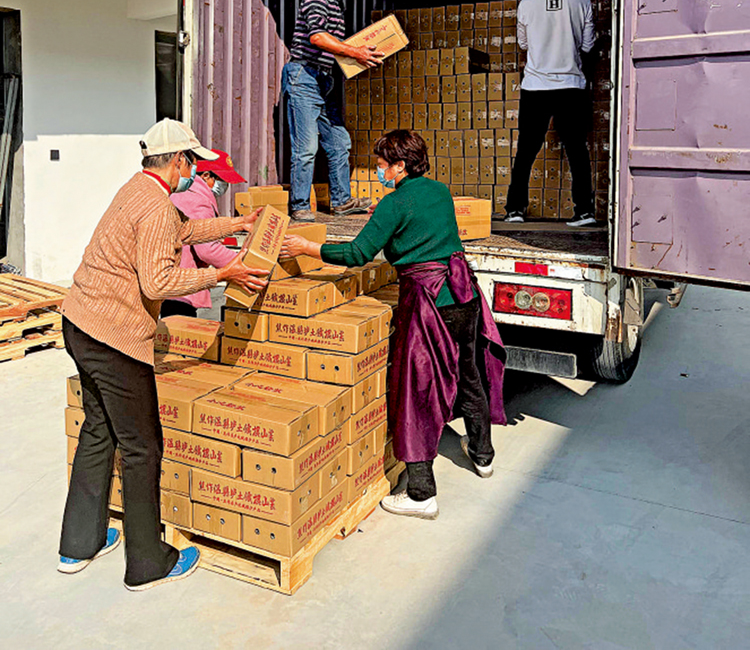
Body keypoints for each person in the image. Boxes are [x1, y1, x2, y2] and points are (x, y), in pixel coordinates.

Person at [58, 119, 269, 591]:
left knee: (98, 429)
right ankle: (148, 562)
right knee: (142, 447)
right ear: (177, 161)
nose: (193, 171)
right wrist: (221, 275)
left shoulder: (138, 189)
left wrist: (237, 224)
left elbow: (184, 229)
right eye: (191, 162)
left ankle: (78, 543)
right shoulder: (155, 206)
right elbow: (158, 283)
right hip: (114, 339)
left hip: (80, 323)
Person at [280, 129, 506, 520]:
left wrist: (307, 247)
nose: (379, 171)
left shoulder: (393, 203)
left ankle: (421, 494)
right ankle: (482, 455)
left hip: (429, 303)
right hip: (464, 294)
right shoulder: (438, 191)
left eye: (382, 165)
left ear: (400, 165)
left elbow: (358, 253)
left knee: (416, 391)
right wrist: (385, 218)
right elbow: (418, 225)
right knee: (469, 373)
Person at [283, 0, 383, 222]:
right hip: (304, 77)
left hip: (323, 80)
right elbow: (317, 36)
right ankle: (299, 205)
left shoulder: (336, 5)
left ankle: (341, 201)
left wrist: (355, 54)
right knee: (306, 147)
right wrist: (355, 52)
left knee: (339, 142)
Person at [505, 0, 596, 227]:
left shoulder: (526, 4)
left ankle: (515, 210)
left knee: (526, 149)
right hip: (571, 85)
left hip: (536, 86)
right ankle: (584, 212)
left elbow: (523, 44)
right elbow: (588, 45)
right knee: (577, 150)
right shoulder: (582, 2)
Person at [162, 149, 247, 319]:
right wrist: (243, 263)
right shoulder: (198, 200)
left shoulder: (184, 191)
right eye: (222, 181)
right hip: (181, 286)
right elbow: (207, 249)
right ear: (207, 176)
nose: (225, 186)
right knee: (181, 328)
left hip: (169, 280)